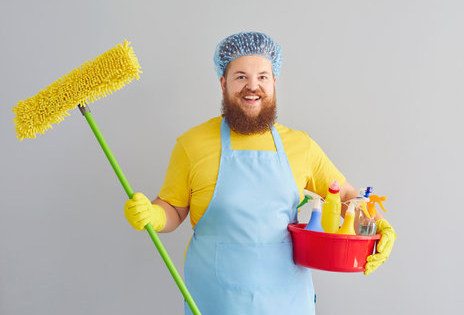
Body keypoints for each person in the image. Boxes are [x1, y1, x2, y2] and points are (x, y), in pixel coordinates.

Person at [124, 32, 396, 315]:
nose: (252, 86)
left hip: (286, 302)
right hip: (215, 301)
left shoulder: (301, 146)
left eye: (263, 77)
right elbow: (173, 209)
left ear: (274, 83)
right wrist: (154, 215)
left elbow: (349, 197)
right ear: (223, 83)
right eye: (241, 76)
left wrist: (379, 225)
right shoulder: (192, 144)